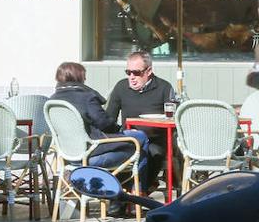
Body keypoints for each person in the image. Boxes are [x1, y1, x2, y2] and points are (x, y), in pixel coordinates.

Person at [50, 61, 147, 213]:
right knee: (140, 138)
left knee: (133, 141)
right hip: (92, 156)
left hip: (69, 158)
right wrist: (119, 130)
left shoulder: (53, 100)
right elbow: (105, 123)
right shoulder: (86, 97)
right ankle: (133, 198)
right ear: (80, 77)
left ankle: (119, 198)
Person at [103, 50, 172, 192]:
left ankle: (139, 193)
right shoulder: (121, 87)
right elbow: (109, 118)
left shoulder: (164, 87)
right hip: (128, 139)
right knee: (118, 153)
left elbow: (173, 119)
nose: (132, 77)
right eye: (128, 72)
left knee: (152, 152)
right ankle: (121, 196)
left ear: (149, 71)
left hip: (155, 139)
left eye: (137, 73)